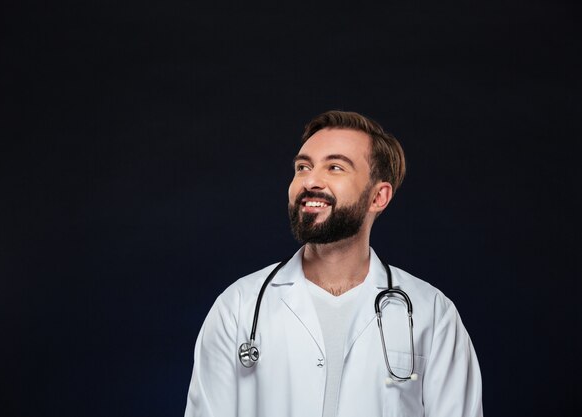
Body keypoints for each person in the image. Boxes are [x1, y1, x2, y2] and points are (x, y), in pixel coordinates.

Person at [184, 110, 483, 417]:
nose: (310, 180)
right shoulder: (238, 307)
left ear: (378, 197)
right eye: (303, 167)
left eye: (335, 167)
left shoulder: (432, 314)